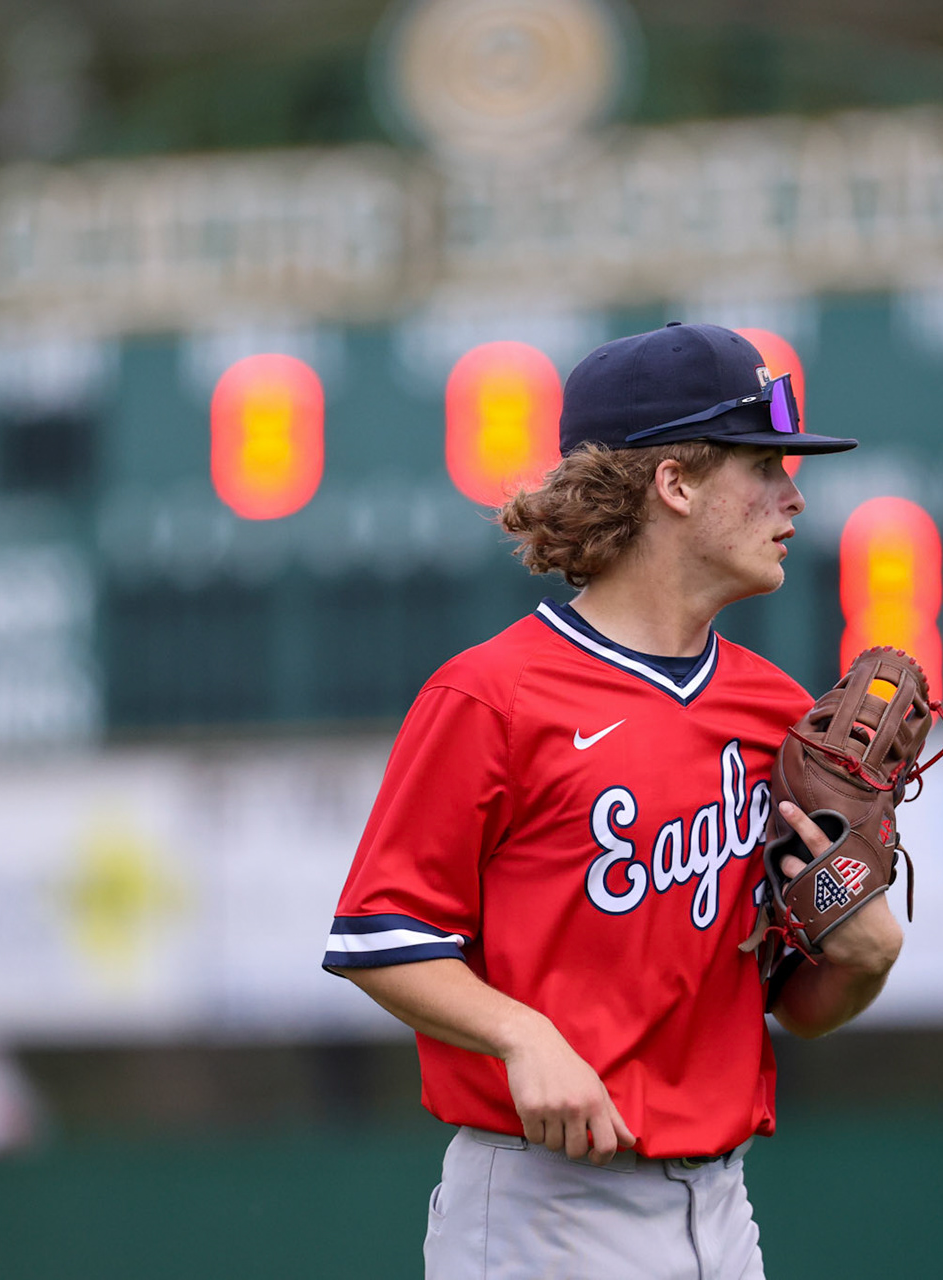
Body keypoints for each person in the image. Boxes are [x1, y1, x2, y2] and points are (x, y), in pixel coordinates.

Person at [322, 322, 904, 1279]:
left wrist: (866, 955)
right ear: (675, 484)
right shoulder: (492, 697)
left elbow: (796, 1010)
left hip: (722, 1209)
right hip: (543, 1208)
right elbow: (380, 938)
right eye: (762, 466)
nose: (793, 495)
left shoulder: (778, 713)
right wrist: (521, 1032)